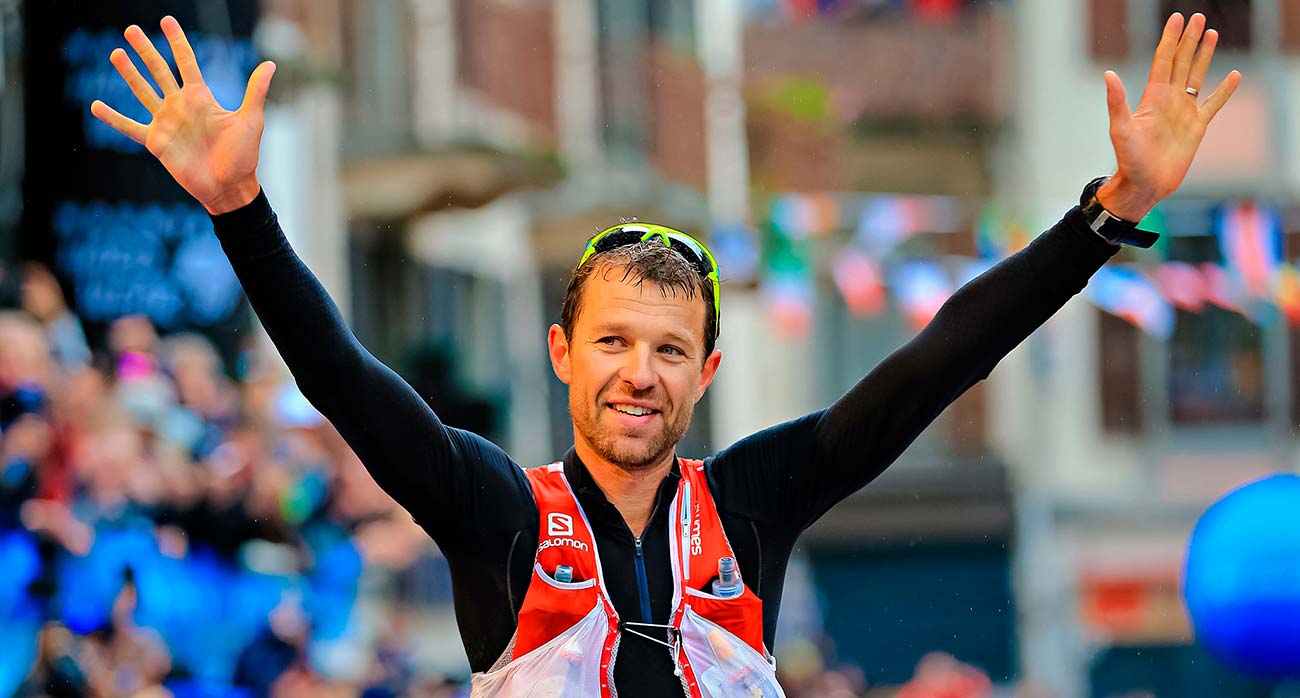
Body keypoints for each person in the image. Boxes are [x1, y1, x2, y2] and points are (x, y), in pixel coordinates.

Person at [89, 13, 1240, 697]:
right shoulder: (494, 509)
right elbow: (341, 375)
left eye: (668, 348)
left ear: (706, 371)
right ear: (561, 353)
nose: (638, 371)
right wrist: (239, 208)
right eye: (613, 342)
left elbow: (938, 360)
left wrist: (1110, 212)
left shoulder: (753, 501)